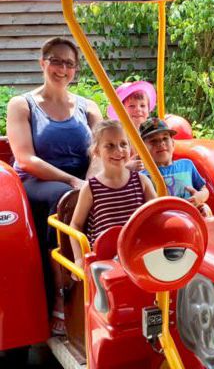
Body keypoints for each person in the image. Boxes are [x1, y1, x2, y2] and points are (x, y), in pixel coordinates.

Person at [6, 36, 103, 334]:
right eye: (56, 61)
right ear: (43, 63)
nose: (62, 69)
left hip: (81, 180)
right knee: (65, 198)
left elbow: (102, 149)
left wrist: (90, 183)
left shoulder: (88, 107)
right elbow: (25, 158)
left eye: (69, 64)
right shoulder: (22, 104)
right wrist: (74, 182)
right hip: (37, 181)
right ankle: (62, 296)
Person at [70, 120, 157, 269]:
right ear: (96, 151)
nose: (119, 150)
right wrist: (79, 259)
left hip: (138, 252)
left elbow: (157, 215)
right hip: (105, 258)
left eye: (123, 144)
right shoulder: (91, 188)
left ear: (130, 148)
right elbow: (76, 225)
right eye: (109, 146)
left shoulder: (142, 181)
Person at [140, 117, 212, 217]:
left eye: (165, 138)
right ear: (142, 149)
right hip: (162, 224)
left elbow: (204, 190)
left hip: (190, 219)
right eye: (153, 141)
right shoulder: (142, 177)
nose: (161, 143)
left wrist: (200, 197)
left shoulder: (187, 165)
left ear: (173, 144)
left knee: (206, 209)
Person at [107, 80, 156, 171]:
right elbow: (110, 164)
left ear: (148, 111)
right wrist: (127, 166)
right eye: (132, 106)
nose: (138, 109)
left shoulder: (151, 131)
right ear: (121, 111)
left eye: (142, 106)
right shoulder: (119, 135)